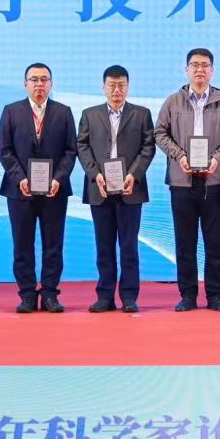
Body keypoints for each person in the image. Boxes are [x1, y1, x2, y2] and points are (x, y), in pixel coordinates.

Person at [153, 48, 220, 312]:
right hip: (182, 181)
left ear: (212, 70)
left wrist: (218, 158)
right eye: (195, 65)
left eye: (205, 65)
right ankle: (188, 295)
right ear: (186, 70)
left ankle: (215, 295)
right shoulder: (173, 101)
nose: (200, 69)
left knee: (215, 241)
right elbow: (159, 133)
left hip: (215, 181)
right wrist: (179, 155)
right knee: (185, 241)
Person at [0, 63, 78, 314]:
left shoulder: (63, 112)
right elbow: (4, 149)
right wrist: (20, 177)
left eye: (44, 79)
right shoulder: (11, 111)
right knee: (22, 245)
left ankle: (50, 294)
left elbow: (71, 150)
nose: (39, 84)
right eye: (34, 79)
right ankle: (27, 295)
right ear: (25, 84)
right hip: (19, 190)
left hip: (55, 191)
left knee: (53, 245)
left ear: (51, 84)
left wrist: (58, 178)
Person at [77, 65, 156, 313]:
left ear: (128, 86)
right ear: (104, 87)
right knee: (104, 246)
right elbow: (82, 147)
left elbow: (148, 147)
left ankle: (129, 297)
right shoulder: (90, 115)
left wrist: (133, 174)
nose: (116, 90)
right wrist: (95, 174)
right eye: (112, 85)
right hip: (99, 190)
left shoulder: (141, 114)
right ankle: (105, 296)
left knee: (129, 247)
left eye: (121, 85)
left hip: (130, 189)